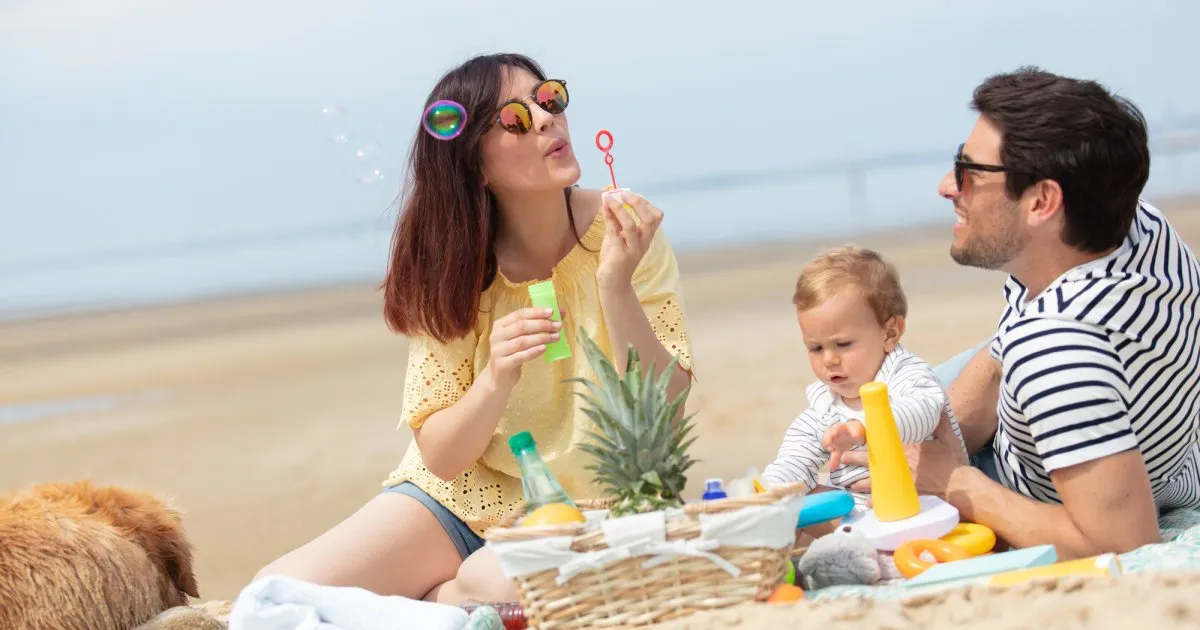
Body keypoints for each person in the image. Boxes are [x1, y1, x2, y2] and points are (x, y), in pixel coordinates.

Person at [253, 53, 695, 603]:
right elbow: (442, 456)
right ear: (476, 166)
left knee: (504, 584)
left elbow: (666, 406)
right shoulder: (454, 263)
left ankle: (444, 602)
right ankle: (452, 598)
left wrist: (616, 286)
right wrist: (496, 377)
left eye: (548, 98)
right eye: (515, 118)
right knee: (274, 594)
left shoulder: (626, 229)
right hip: (459, 501)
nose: (546, 118)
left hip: (594, 508)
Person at [842, 66, 1200, 560]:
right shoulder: (1138, 226)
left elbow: (1125, 543)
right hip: (1134, 444)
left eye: (970, 173)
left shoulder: (1057, 349)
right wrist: (941, 432)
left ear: (1042, 202)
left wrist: (956, 481)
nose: (947, 186)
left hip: (1026, 490)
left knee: (840, 490)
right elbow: (1005, 355)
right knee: (857, 440)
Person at [761, 245, 966, 507]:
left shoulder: (905, 374)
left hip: (929, 505)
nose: (829, 359)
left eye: (843, 344)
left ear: (890, 333)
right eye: (816, 348)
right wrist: (768, 488)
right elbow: (794, 458)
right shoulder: (823, 407)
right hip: (861, 514)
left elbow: (924, 412)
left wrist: (866, 428)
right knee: (793, 501)